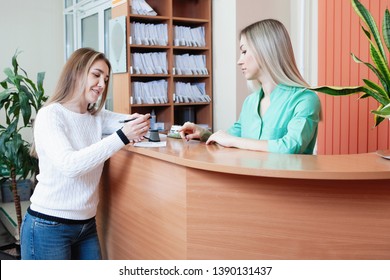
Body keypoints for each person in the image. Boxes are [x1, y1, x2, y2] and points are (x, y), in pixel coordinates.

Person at [20, 48, 150, 260]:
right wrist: (123, 136)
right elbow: (70, 165)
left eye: (106, 79)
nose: (101, 84)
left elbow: (131, 122)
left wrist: (143, 123)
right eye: (96, 75)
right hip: (48, 225)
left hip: (86, 225)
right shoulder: (51, 115)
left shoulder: (97, 116)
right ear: (77, 72)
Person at [180, 19, 321, 154]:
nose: (239, 61)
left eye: (244, 51)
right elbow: (230, 137)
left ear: (265, 50)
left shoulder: (305, 99)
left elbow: (291, 146)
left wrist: (233, 140)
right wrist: (204, 134)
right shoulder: (250, 102)